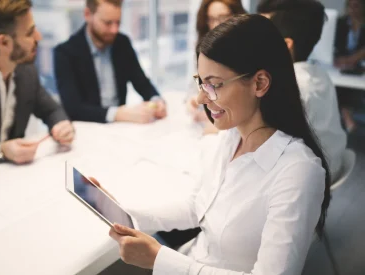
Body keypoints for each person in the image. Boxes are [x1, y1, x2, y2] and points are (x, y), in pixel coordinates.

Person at [92, 14, 331, 274]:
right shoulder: (231, 136)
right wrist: (126, 214)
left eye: (214, 85)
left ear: (260, 83)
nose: (200, 98)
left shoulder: (298, 172)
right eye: (201, 82)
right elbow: (200, 205)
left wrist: (160, 260)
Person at [0, 0, 74, 169]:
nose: (39, 37)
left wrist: (61, 125)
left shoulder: (25, 70)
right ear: (3, 42)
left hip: (15, 178)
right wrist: (0, 150)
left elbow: (51, 109)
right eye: (30, 33)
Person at [257, 0, 347, 181]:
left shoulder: (290, 87)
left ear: (286, 45)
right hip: (332, 164)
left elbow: (265, 152)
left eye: (261, 35)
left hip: (308, 177)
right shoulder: (318, 74)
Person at [54, 0, 166, 124]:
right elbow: (73, 109)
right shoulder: (65, 53)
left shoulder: (122, 43)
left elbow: (142, 83)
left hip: (120, 128)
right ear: (87, 14)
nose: (114, 30)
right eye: (107, 23)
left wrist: (156, 100)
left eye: (118, 22)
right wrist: (116, 114)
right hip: (87, 129)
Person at [186, 0, 246, 135]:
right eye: (211, 19)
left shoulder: (246, 52)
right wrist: (193, 102)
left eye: (223, 17)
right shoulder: (203, 52)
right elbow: (193, 89)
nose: (216, 25)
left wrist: (219, 122)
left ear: (237, 15)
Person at [334, 0, 365, 132]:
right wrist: (343, 59)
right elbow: (336, 45)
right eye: (350, 6)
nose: (352, 10)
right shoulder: (341, 22)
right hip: (344, 64)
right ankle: (348, 118)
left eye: (356, 6)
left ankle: (347, 118)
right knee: (340, 84)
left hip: (361, 65)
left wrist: (354, 58)